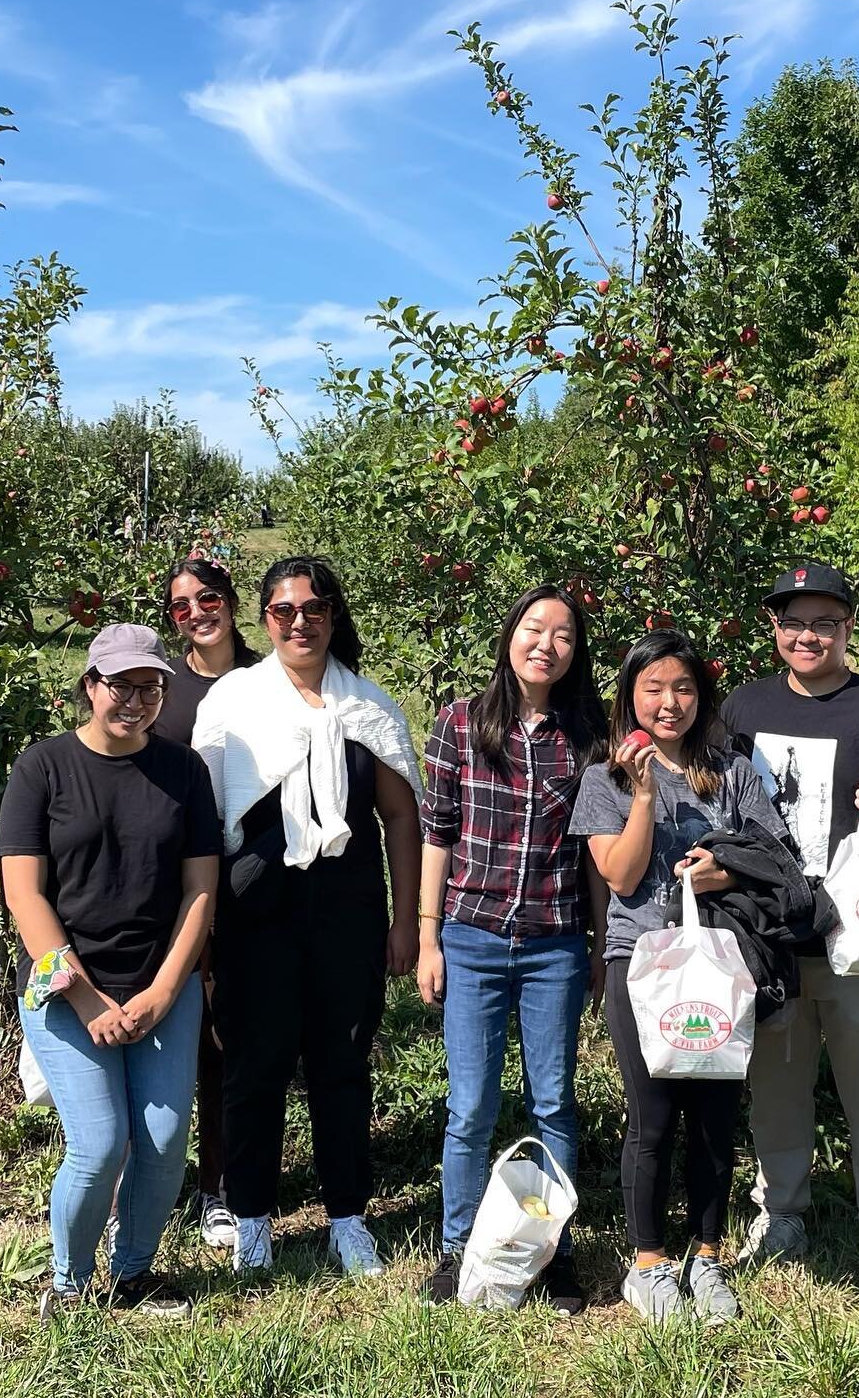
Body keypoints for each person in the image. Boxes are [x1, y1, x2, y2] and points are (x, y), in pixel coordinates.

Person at [719, 563, 859, 1308]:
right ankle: (782, 1216)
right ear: (775, 629)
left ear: (848, 627)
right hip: (771, 934)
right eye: (794, 622)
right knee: (775, 1093)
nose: (807, 635)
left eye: (824, 622)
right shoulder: (743, 708)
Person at [192, 556, 423, 1276]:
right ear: (264, 620)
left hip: (347, 906)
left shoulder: (369, 707)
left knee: (342, 1062)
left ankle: (348, 1218)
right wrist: (200, 933)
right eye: (284, 611)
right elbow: (204, 818)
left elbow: (398, 816)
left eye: (314, 608)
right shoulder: (233, 701)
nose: (300, 622)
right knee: (253, 1063)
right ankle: (253, 1217)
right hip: (255, 905)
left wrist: (407, 920)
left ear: (333, 615)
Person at [0, 624, 221, 1323]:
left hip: (161, 983)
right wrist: (89, 998)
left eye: (150, 686)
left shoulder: (184, 771)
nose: (136, 699)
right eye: (121, 684)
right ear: (90, 686)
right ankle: (67, 1285)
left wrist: (161, 990)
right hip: (64, 987)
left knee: (160, 1140)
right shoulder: (44, 768)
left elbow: (200, 893)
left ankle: (133, 1274)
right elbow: (25, 895)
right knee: (98, 1144)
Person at [569, 630, 786, 1325]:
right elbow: (621, 874)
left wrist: (726, 867)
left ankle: (709, 1255)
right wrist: (640, 796)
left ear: (703, 695)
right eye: (654, 688)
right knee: (653, 1116)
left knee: (717, 1118)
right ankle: (648, 1263)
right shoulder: (606, 775)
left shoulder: (733, 770)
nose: (670, 702)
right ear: (630, 694)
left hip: (722, 962)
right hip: (642, 961)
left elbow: (773, 854)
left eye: (684, 687)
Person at [417, 585, 609, 1314]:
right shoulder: (461, 724)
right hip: (470, 939)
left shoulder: (588, 735)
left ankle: (552, 1249)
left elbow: (593, 854)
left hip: (554, 943)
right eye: (534, 628)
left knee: (553, 1102)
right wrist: (429, 935)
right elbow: (438, 833)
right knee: (469, 1107)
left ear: (574, 652)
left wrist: (594, 946)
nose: (546, 644)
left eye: (563, 635)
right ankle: (456, 1246)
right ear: (510, 636)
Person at [150, 556, 260, 1252]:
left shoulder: (267, 676)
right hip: (178, 888)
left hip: (255, 885)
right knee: (177, 1037)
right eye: (181, 605)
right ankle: (152, 1177)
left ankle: (219, 1186)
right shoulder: (164, 692)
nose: (196, 612)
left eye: (208, 597)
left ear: (231, 601)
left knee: (231, 1043)